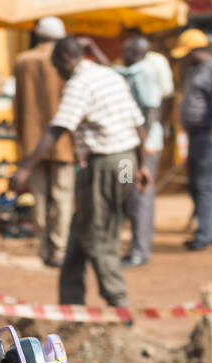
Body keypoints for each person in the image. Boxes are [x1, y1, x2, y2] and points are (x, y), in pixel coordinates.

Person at [11, 36, 150, 309]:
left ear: (65, 60)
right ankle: (71, 303)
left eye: (57, 67)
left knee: (100, 232)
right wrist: (143, 165)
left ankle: (118, 303)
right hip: (126, 162)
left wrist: (25, 167)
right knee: (82, 227)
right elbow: (139, 124)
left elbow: (58, 128)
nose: (58, 74)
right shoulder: (108, 75)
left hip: (105, 164)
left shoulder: (79, 84)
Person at [13, 16, 74, 267]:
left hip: (31, 141)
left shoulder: (23, 61)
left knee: (39, 197)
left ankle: (43, 248)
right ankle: (59, 250)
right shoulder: (65, 59)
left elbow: (17, 103)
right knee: (62, 197)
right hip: (62, 139)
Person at [173, 29, 212, 250]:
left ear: (198, 50)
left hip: (211, 134)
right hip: (196, 135)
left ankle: (205, 235)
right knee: (195, 184)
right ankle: (207, 231)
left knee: (207, 185)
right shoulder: (193, 69)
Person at [117, 35, 163, 267]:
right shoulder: (131, 71)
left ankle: (139, 251)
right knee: (127, 193)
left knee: (139, 196)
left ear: (134, 52)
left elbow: (151, 110)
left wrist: (141, 148)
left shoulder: (145, 73)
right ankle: (133, 247)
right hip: (130, 146)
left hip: (143, 148)